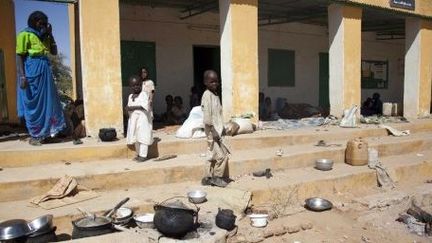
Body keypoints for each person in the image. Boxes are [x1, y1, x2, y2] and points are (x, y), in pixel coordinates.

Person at [16, 11, 66, 146]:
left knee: (48, 103)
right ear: (34, 21)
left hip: (45, 71)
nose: (43, 25)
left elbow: (54, 52)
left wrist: (50, 34)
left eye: (45, 23)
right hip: (31, 70)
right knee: (34, 104)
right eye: (41, 22)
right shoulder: (24, 34)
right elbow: (20, 56)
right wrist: (22, 76)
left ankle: (48, 133)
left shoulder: (45, 36)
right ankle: (35, 135)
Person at [200, 70, 230, 188]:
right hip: (213, 132)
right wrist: (214, 131)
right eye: (211, 82)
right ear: (205, 82)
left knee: (211, 154)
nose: (215, 84)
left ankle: (207, 177)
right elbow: (207, 117)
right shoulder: (207, 95)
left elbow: (217, 114)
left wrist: (222, 128)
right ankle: (217, 177)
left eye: (216, 81)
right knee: (222, 156)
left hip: (217, 130)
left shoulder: (215, 95)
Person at [126, 75, 152, 162]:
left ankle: (143, 155)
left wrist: (131, 108)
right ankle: (139, 154)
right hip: (133, 120)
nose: (136, 87)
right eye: (133, 85)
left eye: (138, 85)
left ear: (141, 85)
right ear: (130, 86)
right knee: (136, 137)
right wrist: (127, 109)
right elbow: (128, 106)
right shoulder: (130, 96)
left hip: (142, 119)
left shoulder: (143, 94)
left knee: (143, 137)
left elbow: (144, 106)